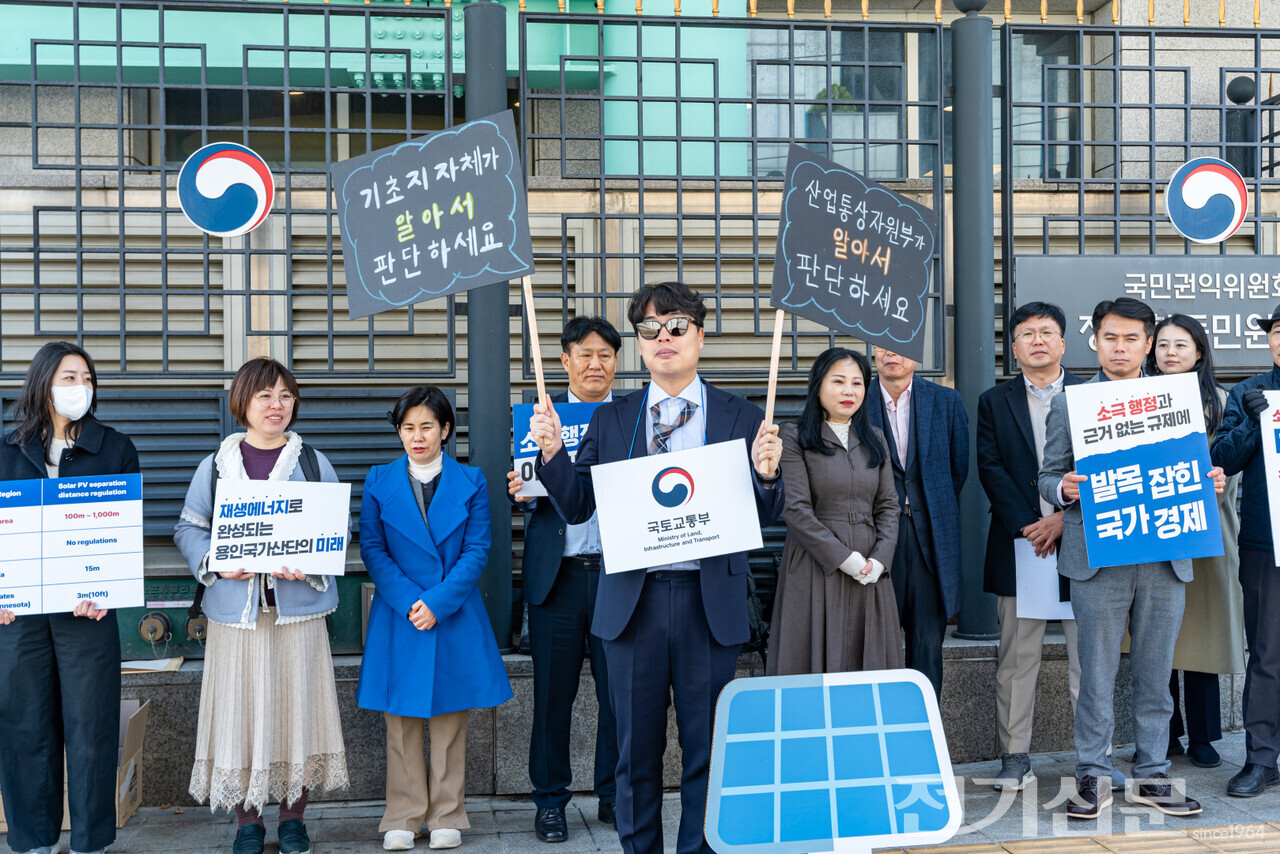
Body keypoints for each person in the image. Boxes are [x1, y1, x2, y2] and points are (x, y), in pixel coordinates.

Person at [530, 281, 783, 854]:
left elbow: (767, 512)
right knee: (634, 754)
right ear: (639, 345)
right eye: (648, 330)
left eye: (675, 327)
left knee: (707, 749)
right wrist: (551, 456)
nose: (662, 338)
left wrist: (768, 474)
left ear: (699, 334)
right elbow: (577, 505)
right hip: (633, 606)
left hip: (708, 602)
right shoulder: (614, 419)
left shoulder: (741, 415)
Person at [1039, 297, 1224, 820]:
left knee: (1154, 669)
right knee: (1096, 672)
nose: (1120, 348)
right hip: (1099, 552)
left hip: (1166, 551)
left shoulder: (1176, 400)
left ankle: (1152, 773)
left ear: (1148, 344)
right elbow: (1046, 477)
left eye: (1131, 339)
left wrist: (1213, 482)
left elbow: (1199, 473)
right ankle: (1093, 774)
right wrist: (1063, 489)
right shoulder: (1071, 403)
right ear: (1094, 341)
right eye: (1110, 338)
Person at [174, 357, 349, 854]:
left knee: (299, 712)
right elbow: (189, 528)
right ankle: (247, 822)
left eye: (286, 396)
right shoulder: (216, 466)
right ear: (242, 403)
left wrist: (311, 561)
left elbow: (336, 530)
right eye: (265, 396)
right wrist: (215, 561)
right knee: (239, 717)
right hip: (236, 616)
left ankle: (293, 818)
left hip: (297, 613)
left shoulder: (313, 462)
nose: (277, 406)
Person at [358, 386, 513, 852]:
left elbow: (477, 548)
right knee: (400, 720)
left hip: (452, 612)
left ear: (445, 430)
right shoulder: (378, 480)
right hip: (400, 613)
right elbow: (372, 548)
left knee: (449, 718)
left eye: (427, 426)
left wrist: (439, 602)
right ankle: (403, 814)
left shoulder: (471, 481)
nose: (417, 436)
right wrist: (410, 601)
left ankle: (447, 813)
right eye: (408, 427)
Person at [0, 342, 139, 854]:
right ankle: (33, 841)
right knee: (23, 725)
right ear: (41, 383)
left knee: (91, 725)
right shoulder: (7, 449)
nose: (79, 387)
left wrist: (107, 588)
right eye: (67, 377)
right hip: (19, 616)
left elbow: (122, 532)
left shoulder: (115, 447)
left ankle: (90, 841)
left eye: (86, 378)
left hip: (88, 613)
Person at [506, 317, 622, 843]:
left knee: (621, 696)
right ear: (565, 361)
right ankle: (550, 801)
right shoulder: (537, 419)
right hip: (559, 577)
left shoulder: (637, 416)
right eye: (585, 354)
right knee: (553, 698)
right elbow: (529, 485)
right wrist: (521, 483)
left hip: (621, 576)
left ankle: (615, 795)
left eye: (606, 355)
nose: (595, 364)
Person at [977, 302, 1083, 792]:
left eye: (1047, 332)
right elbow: (991, 469)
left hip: (1086, 541)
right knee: (1017, 659)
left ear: (1063, 343)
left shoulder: (1093, 396)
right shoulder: (993, 402)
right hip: (1023, 546)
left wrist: (1063, 520)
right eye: (1027, 334)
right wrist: (1030, 525)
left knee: (1092, 656)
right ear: (1014, 347)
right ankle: (1015, 757)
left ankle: (1092, 758)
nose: (1037, 340)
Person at [1147, 314, 1244, 770]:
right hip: (1152, 530)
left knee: (1201, 634)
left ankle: (1205, 737)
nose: (1169, 352)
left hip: (1206, 530)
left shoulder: (1222, 402)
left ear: (1200, 352)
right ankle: (1163, 735)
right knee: (1155, 638)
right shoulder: (1136, 399)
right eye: (1162, 344)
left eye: (1180, 345)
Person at [766, 347, 901, 675]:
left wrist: (880, 559)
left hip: (870, 567)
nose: (848, 391)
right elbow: (796, 509)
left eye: (857, 383)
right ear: (818, 386)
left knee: (868, 663)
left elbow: (888, 505)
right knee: (813, 663)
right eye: (838, 381)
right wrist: (845, 559)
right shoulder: (794, 436)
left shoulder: (876, 439)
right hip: (816, 564)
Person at [865, 345, 968, 698]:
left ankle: (924, 742)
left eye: (900, 345)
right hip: (874, 540)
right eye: (882, 346)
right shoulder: (855, 399)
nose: (890, 353)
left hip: (931, 538)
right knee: (877, 647)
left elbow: (957, 472)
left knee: (927, 648)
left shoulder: (946, 401)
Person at [1210, 302, 1280, 797]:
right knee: (1268, 653)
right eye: (1278, 331)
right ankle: (1260, 758)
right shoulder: (1249, 391)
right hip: (1265, 540)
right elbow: (1222, 460)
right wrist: (1256, 423)